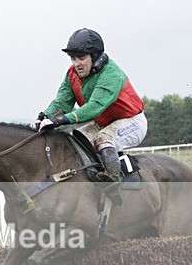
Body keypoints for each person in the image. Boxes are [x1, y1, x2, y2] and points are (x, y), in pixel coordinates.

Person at [31, 28, 147, 185]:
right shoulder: (72, 74)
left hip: (131, 121)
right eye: (73, 58)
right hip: (103, 122)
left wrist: (61, 120)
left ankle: (114, 181)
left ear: (95, 56)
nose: (76, 64)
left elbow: (94, 107)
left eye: (81, 58)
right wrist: (45, 116)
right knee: (76, 140)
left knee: (103, 139)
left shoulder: (110, 73)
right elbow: (62, 102)